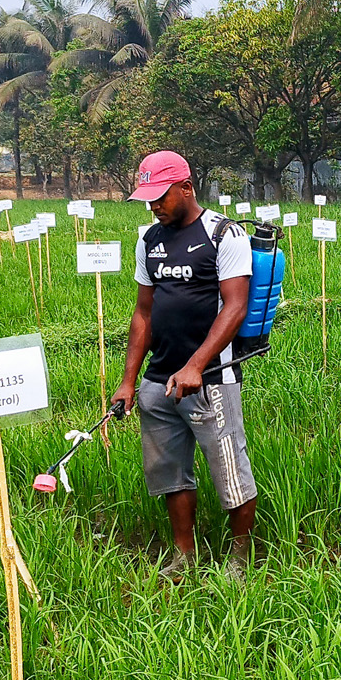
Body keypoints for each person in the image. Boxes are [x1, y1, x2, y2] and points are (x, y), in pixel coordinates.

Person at [110, 150, 258, 570]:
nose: (153, 206)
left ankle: (240, 559)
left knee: (230, 472)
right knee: (169, 473)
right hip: (159, 380)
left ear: (186, 188)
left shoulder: (222, 235)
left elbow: (234, 307)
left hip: (211, 377)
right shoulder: (148, 239)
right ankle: (183, 554)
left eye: (161, 196)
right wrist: (129, 380)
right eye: (148, 199)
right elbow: (143, 312)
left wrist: (196, 365)